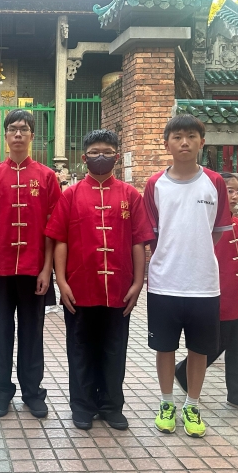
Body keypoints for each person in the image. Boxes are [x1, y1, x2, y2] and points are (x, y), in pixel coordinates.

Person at [45, 130, 153, 430]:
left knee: (114, 349)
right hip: (79, 288)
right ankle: (82, 405)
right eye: (94, 152)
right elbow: (60, 240)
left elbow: (138, 241)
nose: (100, 157)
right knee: (80, 348)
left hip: (119, 288)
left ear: (116, 157)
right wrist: (61, 281)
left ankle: (111, 405)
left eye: (107, 152)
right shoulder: (71, 195)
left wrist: (138, 283)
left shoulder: (130, 196)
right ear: (84, 157)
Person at [144, 114, 231, 438]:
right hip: (164, 283)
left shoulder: (215, 183)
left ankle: (192, 405)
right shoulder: (155, 185)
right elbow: (152, 234)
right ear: (166, 143)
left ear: (202, 143)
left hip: (203, 285)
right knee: (164, 347)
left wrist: (196, 254)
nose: (184, 142)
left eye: (191, 137)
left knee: (200, 350)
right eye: (177, 137)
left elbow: (217, 231)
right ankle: (167, 403)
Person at [0, 109, 60, 419]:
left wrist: (47, 269)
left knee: (32, 333)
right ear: (6, 135)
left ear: (32, 135)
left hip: (34, 269)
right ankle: (0, 392)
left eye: (24, 129)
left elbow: (53, 226)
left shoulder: (47, 177)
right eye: (13, 129)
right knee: (0, 333)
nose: (18, 134)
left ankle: (32, 392)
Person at [175, 172, 238, 416]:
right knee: (216, 343)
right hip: (218, 296)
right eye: (229, 190)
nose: (234, 196)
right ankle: (183, 372)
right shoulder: (206, 225)